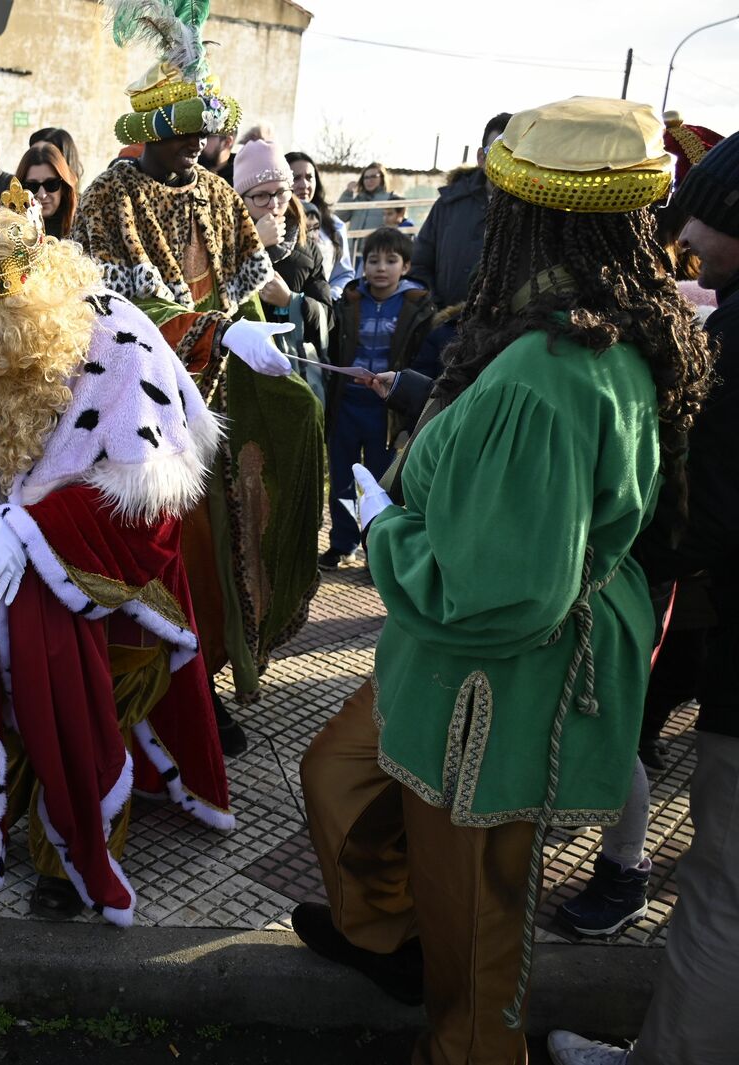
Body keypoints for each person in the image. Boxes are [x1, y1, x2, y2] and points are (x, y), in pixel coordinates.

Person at [293, 97, 711, 1065]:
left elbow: (499, 593)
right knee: (341, 781)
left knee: (479, 926)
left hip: (491, 677)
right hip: (453, 661)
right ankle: (392, 943)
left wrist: (388, 530)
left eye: (493, 205)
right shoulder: (586, 329)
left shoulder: (546, 371)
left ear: (530, 218)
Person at [0, 178, 294, 925]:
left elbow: (149, 513)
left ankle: (67, 850)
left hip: (113, 595)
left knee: (56, 656)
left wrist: (31, 533)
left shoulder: (116, 336)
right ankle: (0, 807)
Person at [72, 3, 325, 727]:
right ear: (153, 126)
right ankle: (149, 701)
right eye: (186, 128)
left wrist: (254, 337)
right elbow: (117, 317)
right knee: (158, 557)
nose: (200, 142)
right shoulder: (107, 198)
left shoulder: (218, 195)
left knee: (224, 549)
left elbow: (241, 295)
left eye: (205, 128)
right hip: (140, 406)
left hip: (216, 396)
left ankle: (206, 683)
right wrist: (216, 334)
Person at [547, 121, 738, 1065]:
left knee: (720, 890)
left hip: (676, 600)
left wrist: (608, 537)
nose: (687, 237)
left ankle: (671, 1044)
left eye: (704, 215)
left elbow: (705, 512)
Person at [318, 227, 434, 570]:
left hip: (387, 411)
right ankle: (342, 542)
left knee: (382, 482)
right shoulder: (349, 301)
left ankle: (378, 549)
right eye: (373, 260)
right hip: (347, 405)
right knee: (341, 476)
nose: (381, 268)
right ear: (362, 265)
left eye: (391, 260)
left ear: (406, 266)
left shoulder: (420, 309)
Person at [235, 140, 333, 388]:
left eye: (280, 192)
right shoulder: (223, 242)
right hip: (240, 374)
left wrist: (291, 301)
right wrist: (254, 243)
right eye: (260, 195)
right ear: (241, 199)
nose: (273, 203)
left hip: (294, 372)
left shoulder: (307, 246)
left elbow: (328, 316)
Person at [409, 113, 512, 308]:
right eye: (499, 152)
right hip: (443, 326)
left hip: (502, 332)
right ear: (482, 157)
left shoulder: (533, 213)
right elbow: (420, 265)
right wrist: (435, 310)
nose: (506, 163)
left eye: (513, 154)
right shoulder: (449, 203)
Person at [288, 150, 356, 299]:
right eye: (295, 178)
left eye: (309, 177)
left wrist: (330, 297)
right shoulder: (273, 224)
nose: (304, 184)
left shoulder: (334, 225)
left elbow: (344, 274)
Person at [14, 142, 78, 239]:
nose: (42, 195)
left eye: (51, 184)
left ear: (64, 187)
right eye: (32, 186)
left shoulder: (82, 229)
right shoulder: (8, 232)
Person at [336, 160, 392, 257]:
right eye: (366, 177)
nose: (369, 180)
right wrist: (347, 193)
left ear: (382, 178)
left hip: (375, 254)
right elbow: (339, 217)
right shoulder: (358, 199)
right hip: (352, 254)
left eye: (374, 177)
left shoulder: (390, 199)